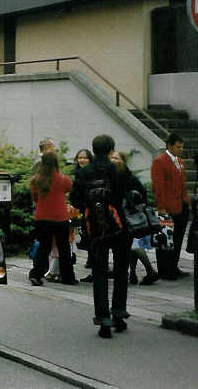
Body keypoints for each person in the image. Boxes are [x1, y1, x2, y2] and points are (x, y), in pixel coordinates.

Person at [72, 134, 130, 338]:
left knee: (99, 272)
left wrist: (90, 208)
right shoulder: (118, 168)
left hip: (94, 226)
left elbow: (75, 198)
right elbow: (129, 191)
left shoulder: (85, 171)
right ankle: (119, 314)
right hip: (119, 225)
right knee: (122, 269)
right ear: (112, 149)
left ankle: (103, 319)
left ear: (93, 150)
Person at [110, 151, 159, 285]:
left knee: (133, 244)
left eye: (116, 158)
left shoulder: (127, 177)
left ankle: (149, 270)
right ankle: (132, 274)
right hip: (126, 215)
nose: (113, 160)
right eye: (112, 157)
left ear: (123, 161)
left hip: (130, 216)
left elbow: (142, 193)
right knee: (131, 244)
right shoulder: (116, 175)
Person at [28, 151, 77, 287]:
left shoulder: (35, 180)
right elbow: (69, 190)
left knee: (44, 246)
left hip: (41, 217)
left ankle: (36, 274)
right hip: (60, 218)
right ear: (56, 163)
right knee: (64, 247)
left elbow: (34, 198)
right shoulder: (64, 180)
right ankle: (68, 277)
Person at [151, 132, 190, 278]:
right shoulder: (159, 161)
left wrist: (187, 201)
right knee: (165, 240)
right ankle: (164, 269)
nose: (180, 150)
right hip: (167, 207)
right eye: (178, 147)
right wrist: (160, 206)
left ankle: (173, 266)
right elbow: (158, 186)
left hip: (181, 205)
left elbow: (183, 184)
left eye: (182, 147)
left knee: (178, 238)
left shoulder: (180, 161)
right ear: (170, 146)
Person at [71, 149, 95, 278]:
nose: (82, 160)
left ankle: (94, 263)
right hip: (82, 209)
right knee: (87, 235)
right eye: (80, 157)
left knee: (92, 236)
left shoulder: (91, 173)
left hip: (90, 209)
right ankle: (91, 260)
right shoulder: (78, 173)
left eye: (85, 158)